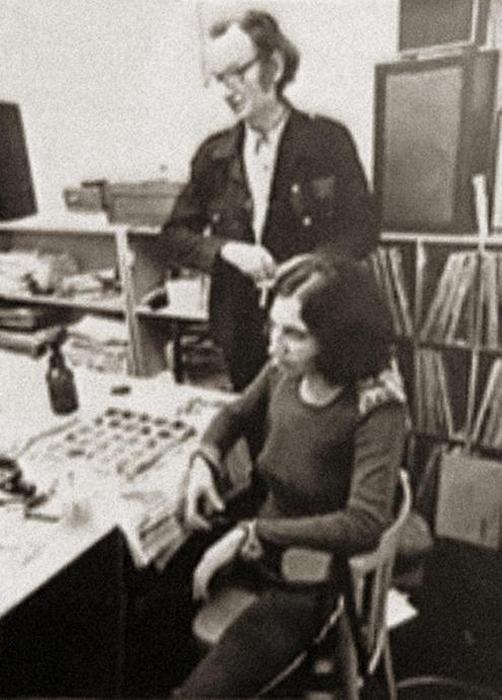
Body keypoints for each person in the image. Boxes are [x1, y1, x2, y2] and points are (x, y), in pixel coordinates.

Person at [173, 254, 407, 698]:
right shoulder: (286, 370)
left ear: (339, 339)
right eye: (273, 328)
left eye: (294, 334)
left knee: (202, 694)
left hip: (315, 576)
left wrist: (253, 533)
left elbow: (364, 523)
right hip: (264, 548)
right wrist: (205, 461)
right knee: (149, 608)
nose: (273, 347)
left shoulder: (378, 407)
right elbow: (234, 414)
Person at [156, 10, 379, 390]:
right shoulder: (213, 154)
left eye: (237, 73)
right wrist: (228, 251)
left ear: (273, 66)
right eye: (219, 78)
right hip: (240, 333)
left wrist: (314, 265)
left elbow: (363, 228)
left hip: (315, 330)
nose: (227, 91)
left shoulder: (327, 141)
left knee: (311, 421)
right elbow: (173, 237)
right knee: (252, 422)